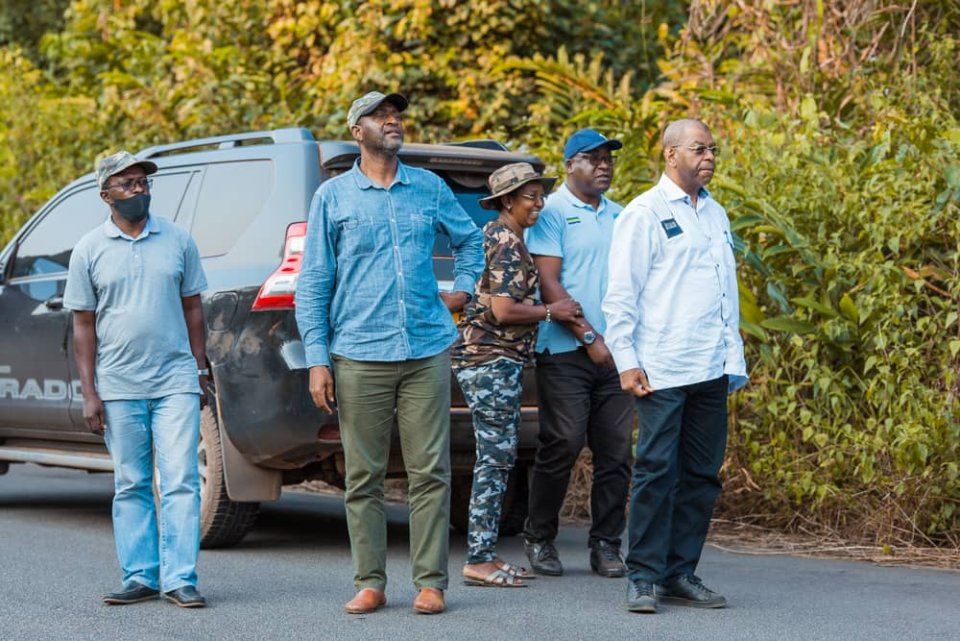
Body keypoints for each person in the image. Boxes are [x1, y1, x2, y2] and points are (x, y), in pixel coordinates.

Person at [294, 91, 484, 615]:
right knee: (364, 476)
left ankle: (430, 582)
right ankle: (371, 581)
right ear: (358, 131)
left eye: (395, 114)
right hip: (358, 351)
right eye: (380, 115)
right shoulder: (333, 198)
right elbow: (313, 282)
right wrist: (317, 358)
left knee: (431, 471)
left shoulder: (428, 187)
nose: (392, 120)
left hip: (425, 346)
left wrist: (463, 289)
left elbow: (471, 241)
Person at [602, 119, 748, 613]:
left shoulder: (715, 213)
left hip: (711, 366)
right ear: (670, 155)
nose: (708, 156)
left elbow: (724, 295)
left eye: (712, 149)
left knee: (703, 475)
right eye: (698, 148)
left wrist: (733, 359)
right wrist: (627, 360)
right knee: (656, 471)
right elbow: (621, 295)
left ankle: (678, 572)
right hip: (662, 368)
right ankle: (642, 575)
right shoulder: (643, 214)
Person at [64, 151, 210, 609]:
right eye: (127, 184)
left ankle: (180, 578)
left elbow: (193, 310)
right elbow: (83, 326)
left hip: (175, 380)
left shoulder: (178, 240)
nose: (139, 189)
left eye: (143, 182)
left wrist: (198, 368)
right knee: (131, 482)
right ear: (106, 194)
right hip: (119, 384)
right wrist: (90, 393)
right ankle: (141, 576)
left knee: (181, 479)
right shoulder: (89, 249)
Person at [451, 163, 582, 588]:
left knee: (499, 456)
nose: (539, 204)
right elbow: (504, 311)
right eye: (530, 197)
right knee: (495, 457)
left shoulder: (500, 237)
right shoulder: (505, 241)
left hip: (496, 359)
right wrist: (551, 311)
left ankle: (484, 553)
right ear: (507, 200)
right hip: (489, 358)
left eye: (542, 195)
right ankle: (478, 558)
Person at [522, 129, 635, 579]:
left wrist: (619, 345)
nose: (604, 165)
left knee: (615, 451)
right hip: (566, 350)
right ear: (570, 165)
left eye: (608, 158)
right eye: (592, 158)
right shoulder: (551, 213)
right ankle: (539, 537)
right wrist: (590, 337)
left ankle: (606, 544)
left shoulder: (624, 215)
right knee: (563, 442)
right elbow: (549, 282)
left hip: (618, 353)